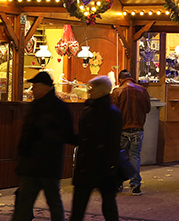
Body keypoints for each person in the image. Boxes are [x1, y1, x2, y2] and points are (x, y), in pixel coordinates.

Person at [12, 72, 75, 221]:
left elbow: (67, 134)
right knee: (24, 202)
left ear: (45, 87)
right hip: (30, 164)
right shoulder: (35, 105)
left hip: (48, 163)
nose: (32, 89)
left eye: (35, 86)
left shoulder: (58, 107)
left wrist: (44, 135)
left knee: (52, 201)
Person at [70, 76, 123, 221]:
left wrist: (111, 170)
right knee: (83, 206)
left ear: (100, 91)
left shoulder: (109, 113)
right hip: (92, 165)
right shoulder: (92, 110)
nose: (89, 91)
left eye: (92, 88)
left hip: (99, 166)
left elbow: (113, 144)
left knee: (104, 206)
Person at [111, 69, 151, 194]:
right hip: (138, 129)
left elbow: (113, 111)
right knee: (135, 156)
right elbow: (148, 109)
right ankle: (135, 185)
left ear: (120, 80)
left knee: (119, 156)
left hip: (122, 130)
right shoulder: (142, 90)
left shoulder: (117, 91)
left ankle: (118, 183)